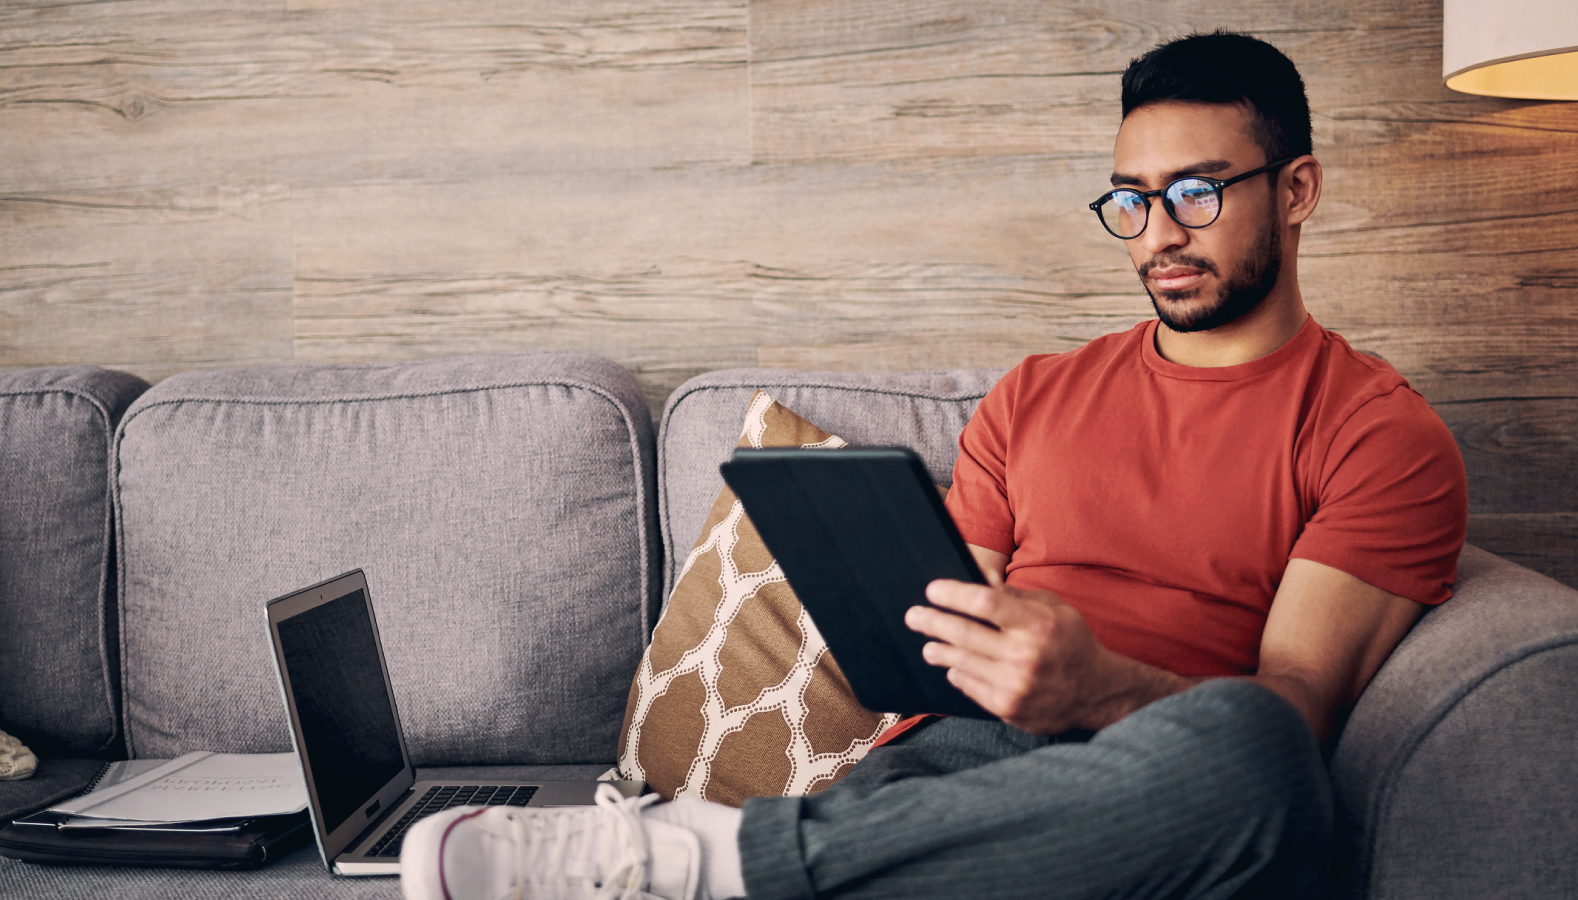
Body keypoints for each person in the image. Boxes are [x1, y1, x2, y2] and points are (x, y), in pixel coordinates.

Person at [399, 30, 1467, 900]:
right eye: (1130, 201)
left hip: (1169, 783)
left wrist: (1099, 689)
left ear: (1296, 190)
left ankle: (694, 861)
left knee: (1258, 751)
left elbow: (1297, 707)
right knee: (926, 775)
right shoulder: (1037, 395)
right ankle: (733, 861)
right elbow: (944, 626)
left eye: (1196, 192)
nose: (1156, 236)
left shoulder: (1376, 432)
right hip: (960, 766)